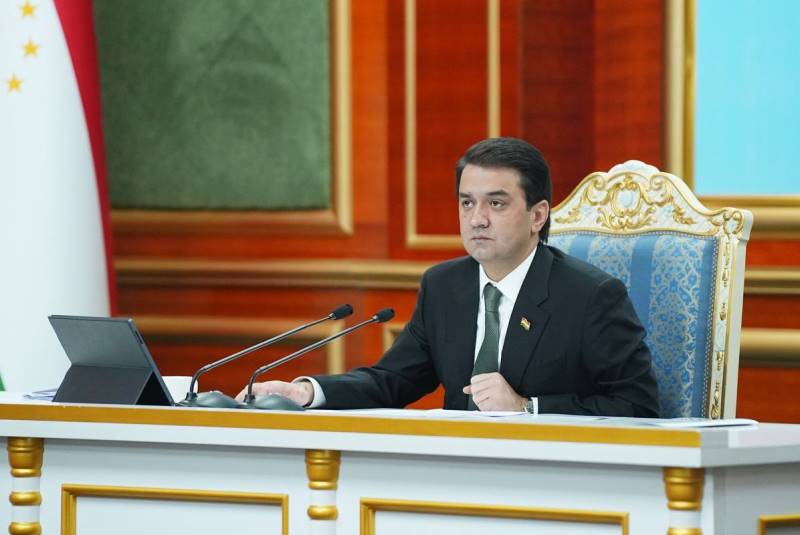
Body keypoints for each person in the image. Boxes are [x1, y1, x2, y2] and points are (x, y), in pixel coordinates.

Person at [237, 137, 660, 416]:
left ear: (537, 216)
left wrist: (527, 407)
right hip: (453, 474)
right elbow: (392, 381)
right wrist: (307, 392)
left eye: (496, 204)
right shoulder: (444, 286)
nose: (477, 219)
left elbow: (638, 405)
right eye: (467, 203)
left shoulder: (590, 296)